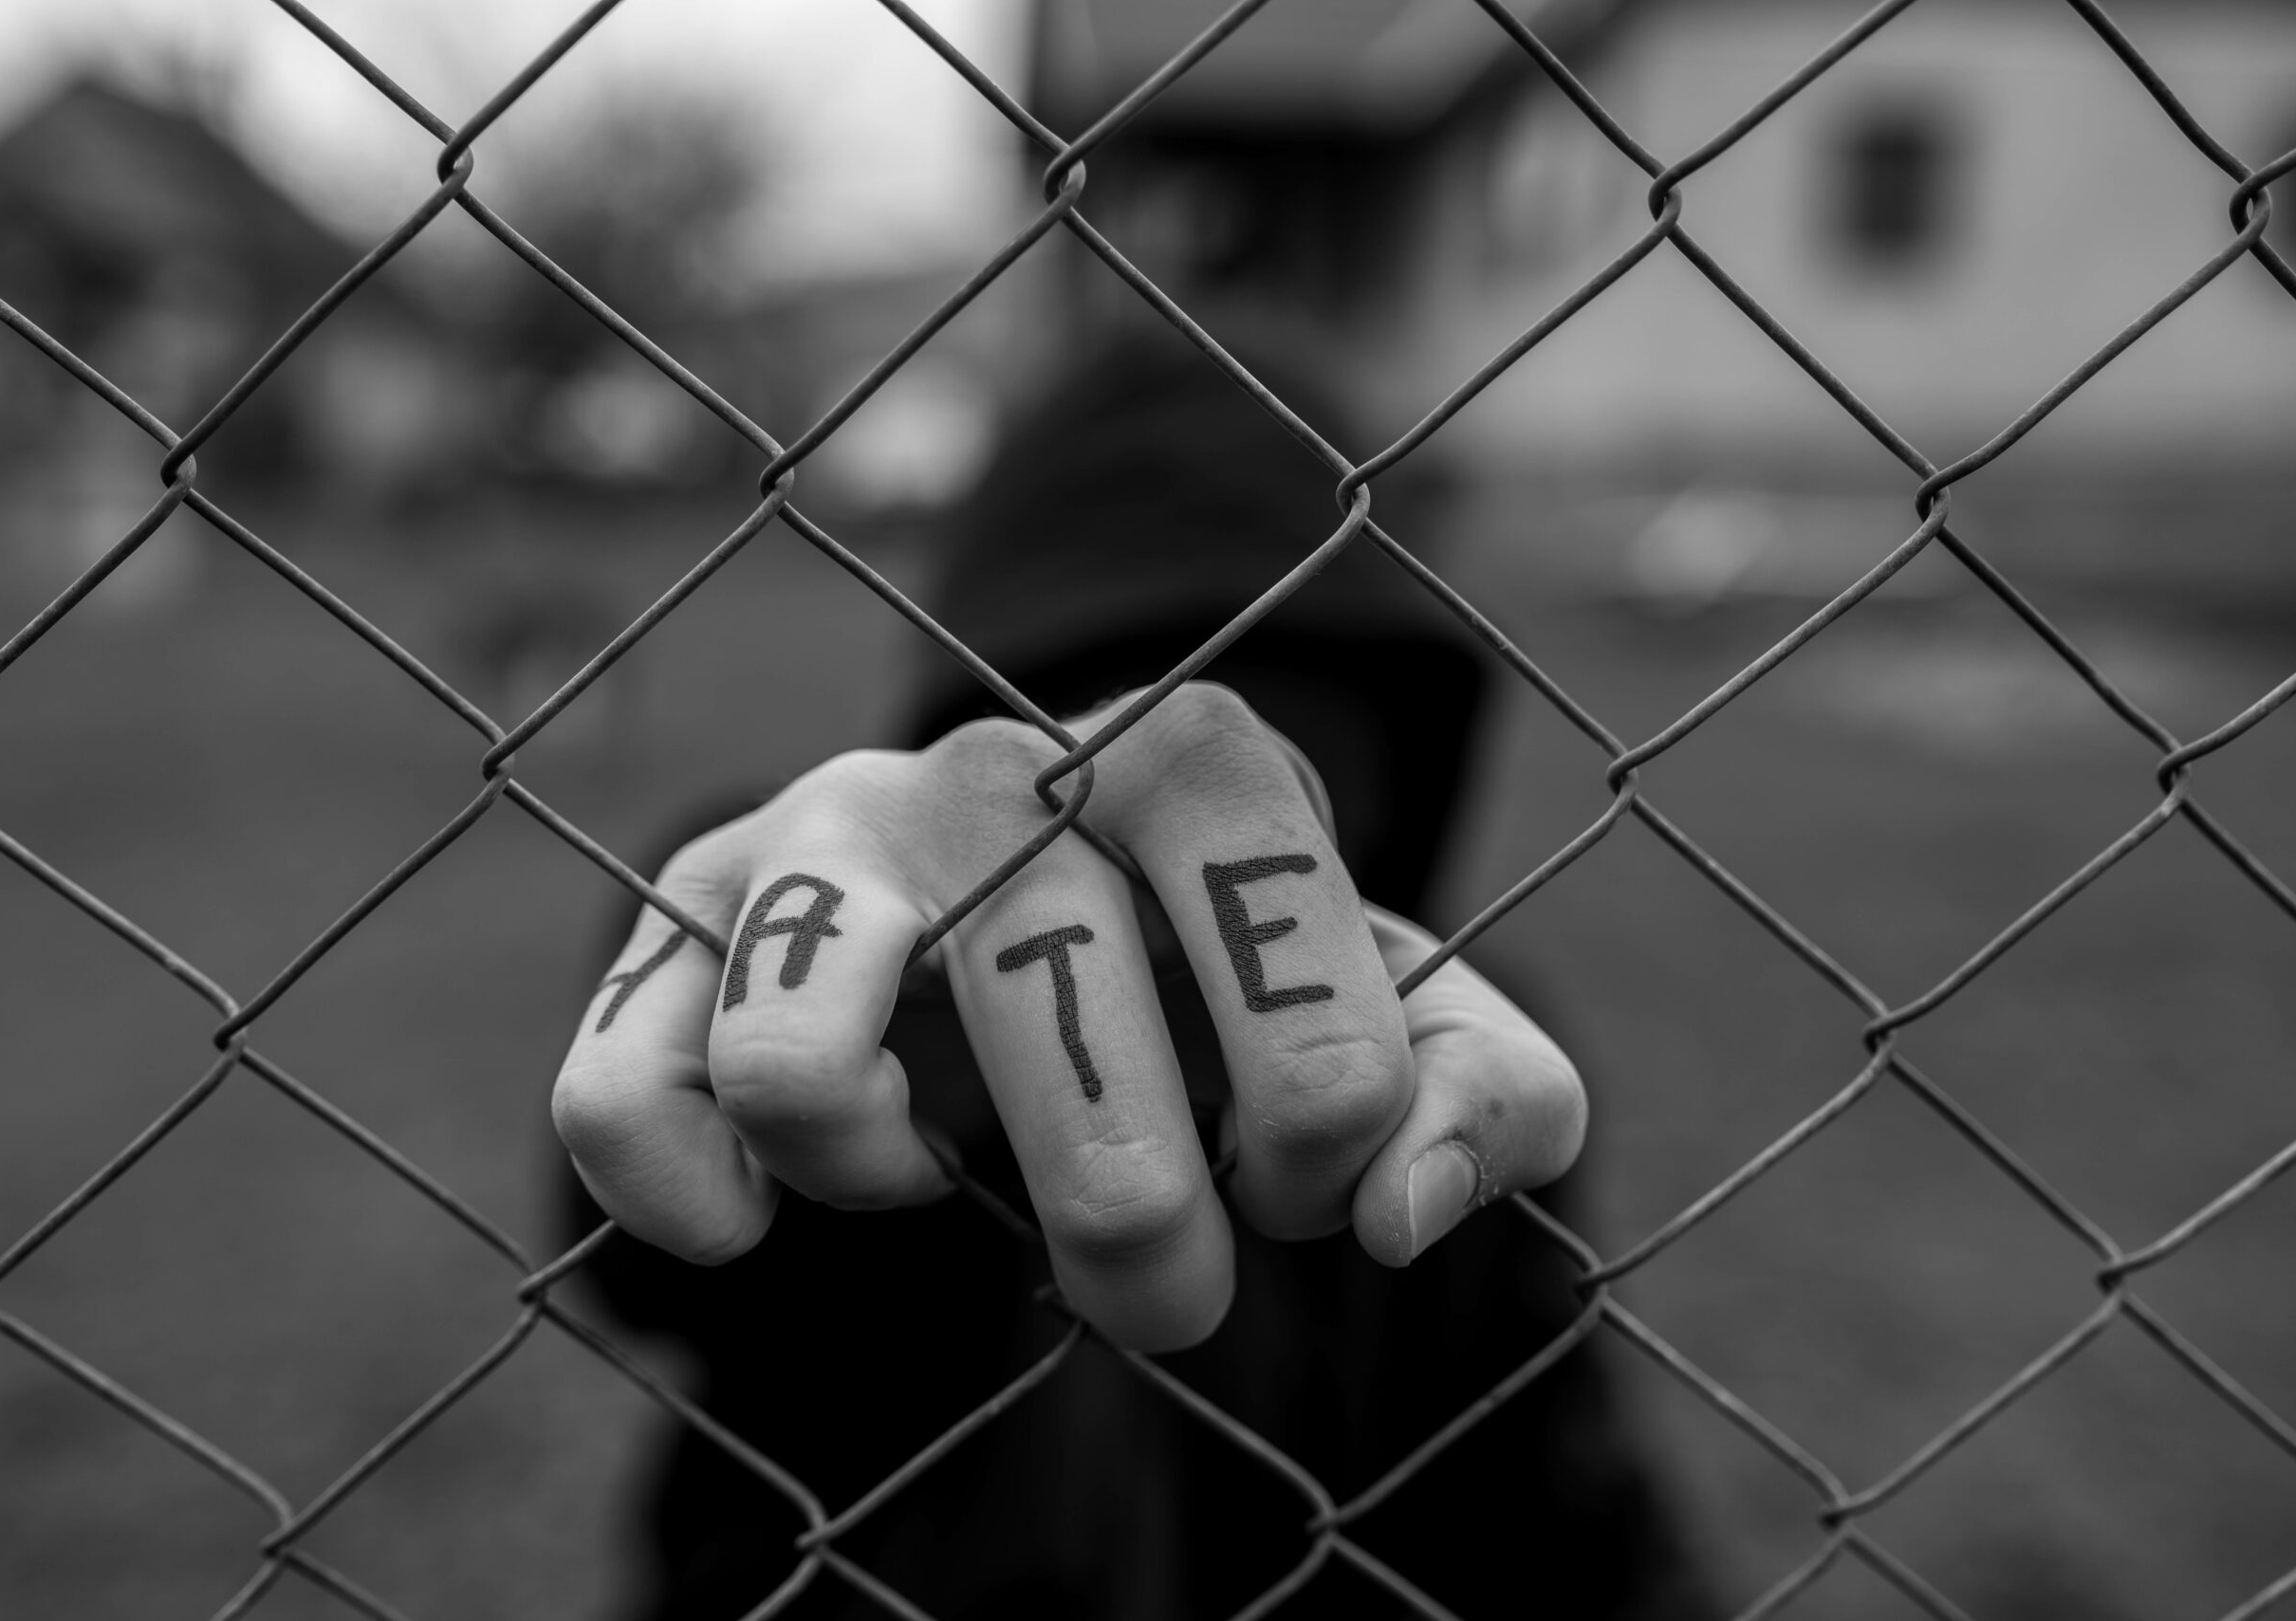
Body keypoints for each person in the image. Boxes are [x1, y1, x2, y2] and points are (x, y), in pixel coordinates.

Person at [550, 330, 1714, 1618]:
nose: (1215, 775)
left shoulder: (1469, 1050)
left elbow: (1567, 1497)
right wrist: (768, 971)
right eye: (1096, 715)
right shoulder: (889, 1023)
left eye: (1304, 719)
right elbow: (652, 1246)